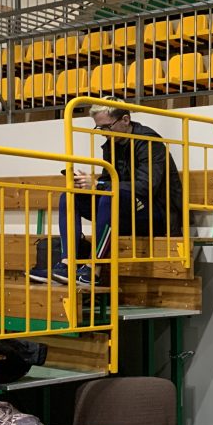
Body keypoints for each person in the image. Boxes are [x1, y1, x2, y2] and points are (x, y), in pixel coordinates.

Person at [29, 97, 183, 287]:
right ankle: (67, 264)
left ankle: (93, 270)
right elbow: (108, 181)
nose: (103, 133)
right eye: (99, 128)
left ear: (125, 120)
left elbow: (146, 186)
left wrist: (98, 185)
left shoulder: (149, 142)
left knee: (109, 198)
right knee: (69, 196)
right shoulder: (112, 143)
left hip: (157, 213)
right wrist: (90, 185)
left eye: (107, 127)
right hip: (126, 207)